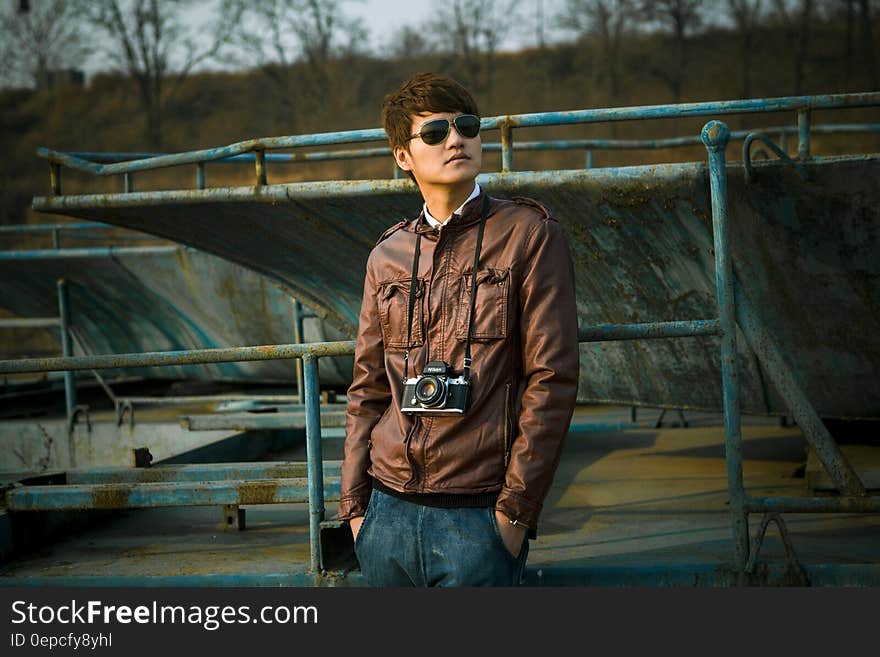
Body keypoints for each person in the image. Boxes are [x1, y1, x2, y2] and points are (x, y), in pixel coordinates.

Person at [338, 71, 579, 586]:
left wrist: (514, 515)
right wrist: (356, 513)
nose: (456, 139)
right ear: (403, 155)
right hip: (386, 516)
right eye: (435, 132)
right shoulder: (388, 255)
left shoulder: (529, 235)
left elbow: (552, 380)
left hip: (480, 518)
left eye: (466, 126)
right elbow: (366, 390)